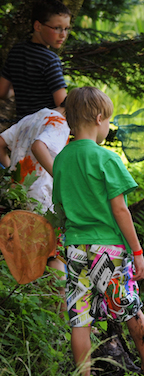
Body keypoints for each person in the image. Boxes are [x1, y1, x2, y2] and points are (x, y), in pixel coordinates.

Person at [52, 87, 144, 376]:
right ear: (99, 119)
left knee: (80, 320)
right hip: (107, 250)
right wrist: (137, 252)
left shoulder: (61, 160)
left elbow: (60, 208)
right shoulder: (106, 159)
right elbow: (120, 210)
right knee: (130, 309)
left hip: (75, 248)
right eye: (108, 120)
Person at [0, 102, 70, 303]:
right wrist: (61, 179)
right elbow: (39, 145)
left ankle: (23, 304)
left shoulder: (33, 117)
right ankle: (61, 315)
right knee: (53, 255)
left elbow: (1, 142)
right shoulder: (60, 123)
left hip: (16, 196)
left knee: (22, 254)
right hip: (40, 200)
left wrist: (13, 174)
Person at [0, 0, 70, 119]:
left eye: (66, 29)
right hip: (45, 130)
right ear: (38, 26)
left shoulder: (16, 51)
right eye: (57, 28)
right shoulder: (50, 60)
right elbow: (63, 104)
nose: (63, 35)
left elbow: (2, 92)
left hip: (21, 128)